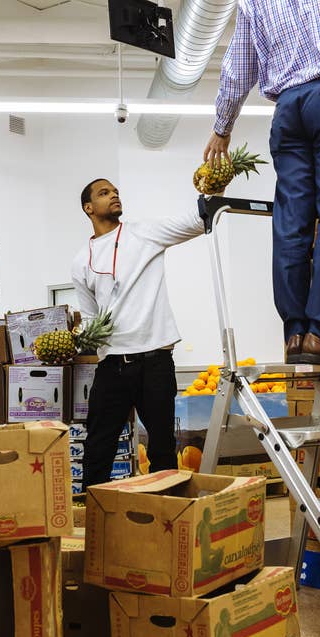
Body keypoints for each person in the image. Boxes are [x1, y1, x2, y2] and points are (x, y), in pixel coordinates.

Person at [205, 0, 320, 372]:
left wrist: (222, 127)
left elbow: (238, 67)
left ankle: (295, 335)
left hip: (288, 110)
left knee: (291, 221)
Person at [72, 179, 205, 488]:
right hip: (112, 364)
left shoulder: (143, 233)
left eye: (116, 191)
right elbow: (92, 318)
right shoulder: (81, 261)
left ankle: (167, 517)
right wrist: (75, 341)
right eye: (104, 193)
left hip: (155, 360)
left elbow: (196, 221)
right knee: (98, 447)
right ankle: (97, 519)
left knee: (161, 446)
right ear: (88, 208)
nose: (114, 195)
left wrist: (212, 188)